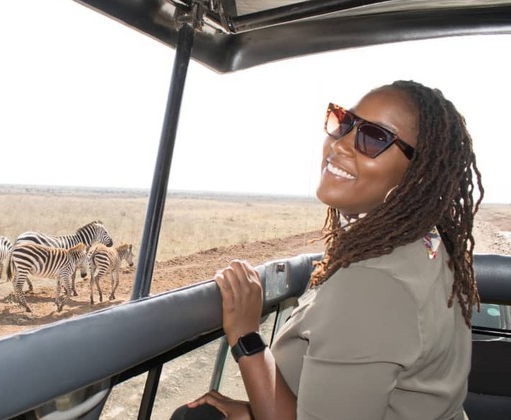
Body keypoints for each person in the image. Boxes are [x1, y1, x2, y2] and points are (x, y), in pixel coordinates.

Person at [173, 80, 483, 420]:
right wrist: (255, 411)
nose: (341, 145)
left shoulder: (372, 283)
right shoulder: (428, 243)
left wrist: (247, 339)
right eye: (344, 123)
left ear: (420, 176)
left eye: (375, 137)